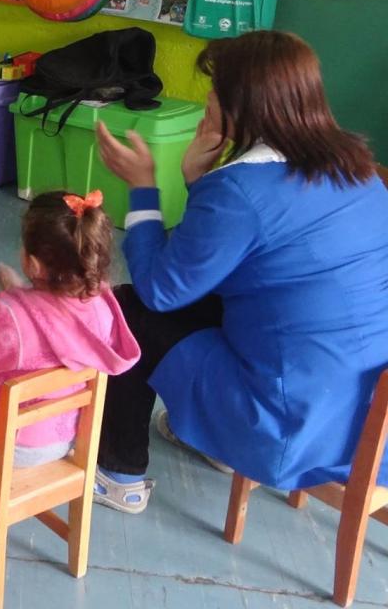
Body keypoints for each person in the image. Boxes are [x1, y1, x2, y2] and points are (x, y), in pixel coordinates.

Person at [91, 31, 388, 514]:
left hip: (284, 426)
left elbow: (162, 289)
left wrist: (143, 188)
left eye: (216, 89)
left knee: (127, 308)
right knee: (210, 298)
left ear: (245, 105)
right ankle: (214, 442)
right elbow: (224, 256)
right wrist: (195, 181)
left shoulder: (241, 190)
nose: (207, 99)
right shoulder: (360, 172)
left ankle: (119, 473)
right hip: (364, 420)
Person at [0, 190, 139, 467]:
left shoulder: (13, 319)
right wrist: (21, 292)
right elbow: (56, 324)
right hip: (63, 438)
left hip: (5, 441)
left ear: (33, 265)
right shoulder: (102, 306)